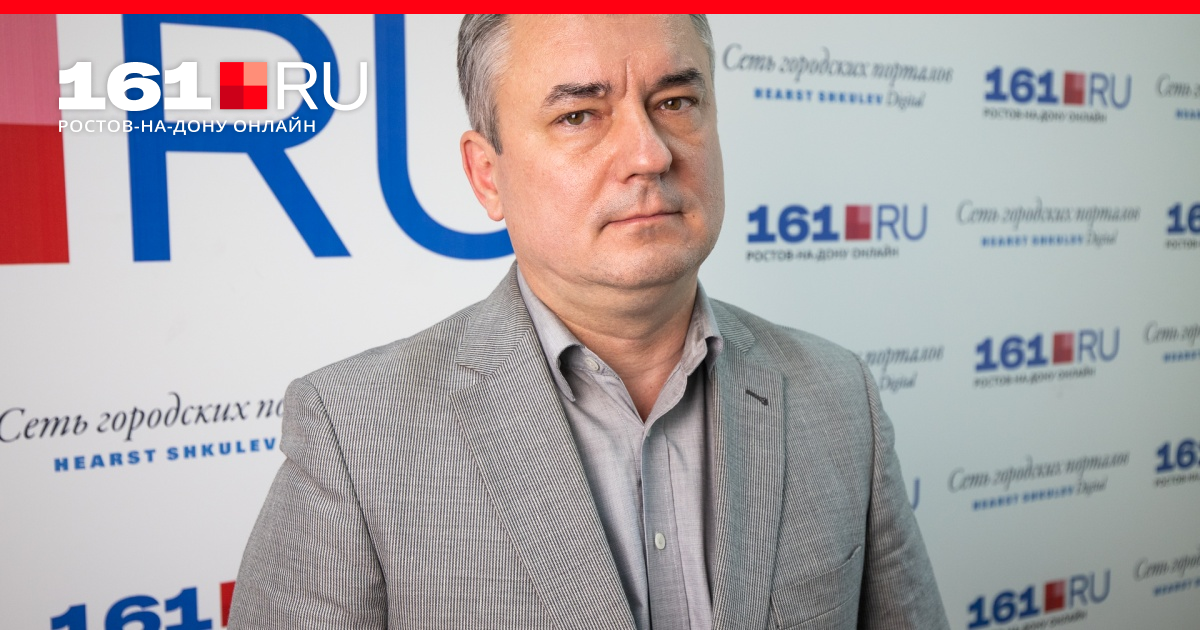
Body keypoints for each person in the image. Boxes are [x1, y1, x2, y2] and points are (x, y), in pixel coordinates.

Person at [230, 14, 948, 630]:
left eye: (675, 101)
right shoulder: (353, 435)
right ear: (487, 176)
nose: (650, 154)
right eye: (579, 115)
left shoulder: (838, 394)